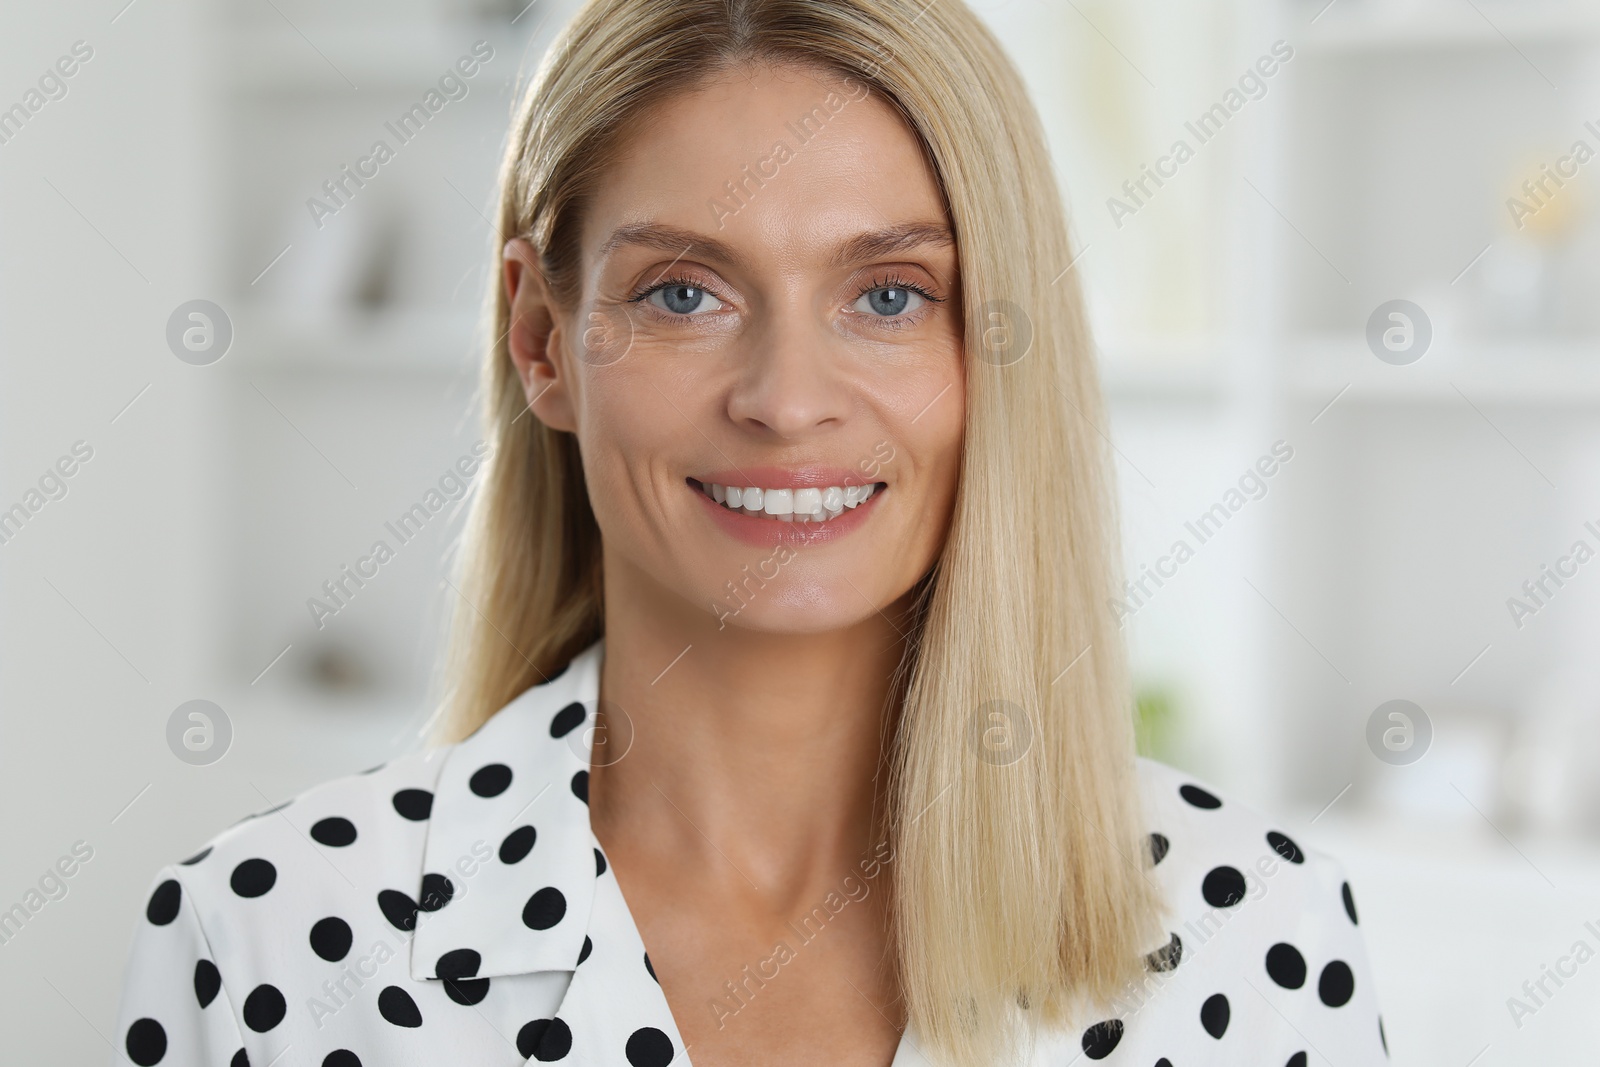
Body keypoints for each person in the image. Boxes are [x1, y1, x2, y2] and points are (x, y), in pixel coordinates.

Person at [109, 1, 1386, 1064]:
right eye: (684, 291)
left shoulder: (1256, 932)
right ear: (541, 339)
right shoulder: (265, 934)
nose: (784, 397)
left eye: (889, 294)